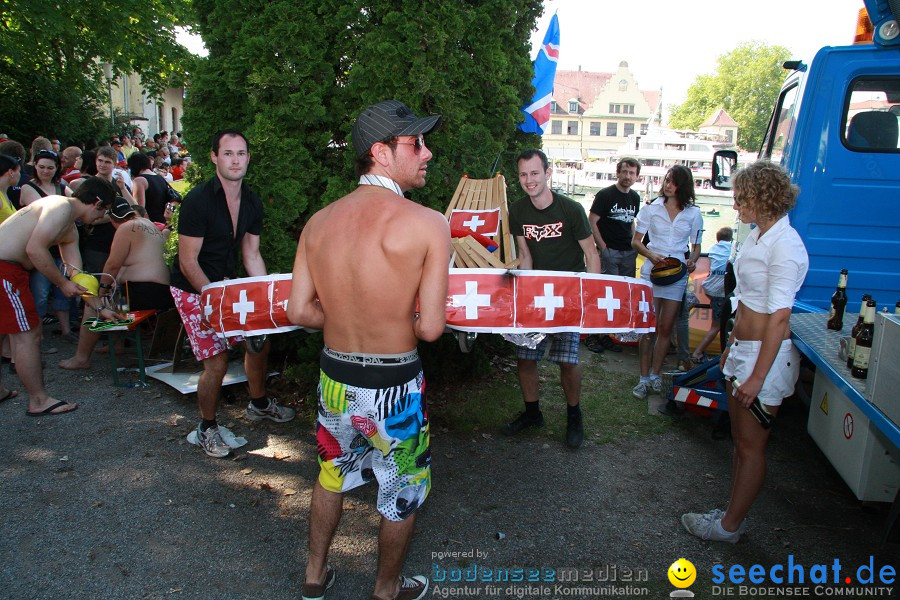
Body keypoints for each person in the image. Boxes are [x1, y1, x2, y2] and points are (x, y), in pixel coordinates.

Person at [288, 99, 447, 600]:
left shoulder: (319, 222)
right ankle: (385, 589)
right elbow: (431, 331)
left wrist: (345, 317)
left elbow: (298, 311)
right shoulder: (428, 223)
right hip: (394, 386)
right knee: (400, 494)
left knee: (331, 475)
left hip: (335, 376)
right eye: (415, 143)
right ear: (381, 151)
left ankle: (314, 576)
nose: (427, 152)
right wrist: (390, 319)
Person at [681, 161, 808, 543]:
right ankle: (732, 513)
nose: (735, 206)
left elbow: (779, 317)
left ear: (761, 197)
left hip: (764, 359)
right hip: (744, 350)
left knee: (752, 447)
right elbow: (747, 301)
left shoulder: (785, 246)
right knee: (740, 440)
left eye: (741, 199)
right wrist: (731, 346)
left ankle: (729, 527)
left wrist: (756, 376)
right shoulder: (757, 236)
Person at [170, 129, 294, 459]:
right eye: (228, 153)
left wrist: (268, 300)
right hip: (193, 287)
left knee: (260, 340)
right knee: (217, 363)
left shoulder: (251, 201)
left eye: (241, 153)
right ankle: (206, 427)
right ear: (214, 157)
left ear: (248, 158)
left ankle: (258, 403)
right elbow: (187, 262)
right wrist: (213, 299)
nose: (235, 160)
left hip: (228, 285)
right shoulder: (198, 200)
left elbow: (251, 255)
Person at [502, 149, 600, 450]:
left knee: (568, 362)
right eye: (523, 174)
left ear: (548, 173)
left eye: (534, 173)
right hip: (536, 295)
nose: (529, 180)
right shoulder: (516, 210)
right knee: (525, 357)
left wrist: (589, 299)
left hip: (568, 295)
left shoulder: (571, 209)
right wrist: (523, 294)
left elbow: (591, 254)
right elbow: (525, 254)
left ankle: (574, 416)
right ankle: (533, 414)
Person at [0, 176, 119, 416]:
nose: (102, 218)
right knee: (27, 335)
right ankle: (39, 400)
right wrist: (62, 283)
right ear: (97, 203)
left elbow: (77, 275)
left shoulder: (70, 228)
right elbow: (35, 248)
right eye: (104, 211)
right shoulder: (60, 206)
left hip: (10, 268)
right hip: (6, 268)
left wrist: (98, 307)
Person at [59, 198, 174, 370]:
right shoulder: (146, 223)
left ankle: (81, 358)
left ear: (112, 220)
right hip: (160, 292)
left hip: (144, 292)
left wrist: (102, 291)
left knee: (95, 305)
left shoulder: (126, 228)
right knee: (116, 299)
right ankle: (118, 345)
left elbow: (112, 265)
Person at [631, 165, 703, 401]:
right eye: (666, 180)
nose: (668, 185)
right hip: (652, 270)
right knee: (647, 327)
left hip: (676, 274)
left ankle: (655, 374)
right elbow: (636, 242)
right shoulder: (651, 209)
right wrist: (651, 256)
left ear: (683, 185)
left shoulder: (693, 213)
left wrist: (692, 262)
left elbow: (696, 247)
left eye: (673, 181)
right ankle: (643, 378)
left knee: (665, 327)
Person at [20, 149, 79, 344]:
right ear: (35, 167)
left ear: (56, 168)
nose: (45, 171)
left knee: (65, 291)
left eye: (50, 168)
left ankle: (65, 330)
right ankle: (37, 335)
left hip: (60, 246)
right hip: (41, 247)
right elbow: (46, 213)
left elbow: (75, 200)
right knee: (40, 293)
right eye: (42, 167)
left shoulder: (60, 185)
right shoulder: (28, 187)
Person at [586, 157, 641, 353]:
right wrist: (602, 246)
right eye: (624, 172)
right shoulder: (605, 195)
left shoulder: (635, 197)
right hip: (609, 251)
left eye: (632, 173)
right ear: (618, 172)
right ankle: (593, 337)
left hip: (628, 252)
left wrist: (635, 243)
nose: (627, 176)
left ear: (637, 176)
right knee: (604, 294)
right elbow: (592, 220)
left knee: (621, 296)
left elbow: (631, 222)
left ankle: (607, 335)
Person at [691, 226, 733, 363]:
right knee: (716, 326)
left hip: (711, 289)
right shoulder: (732, 250)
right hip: (721, 292)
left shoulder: (715, 249)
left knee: (722, 323)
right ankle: (697, 353)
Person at [129, 151, 169, 222]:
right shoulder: (159, 177)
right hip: (163, 221)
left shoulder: (139, 180)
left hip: (151, 224)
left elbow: (139, 209)